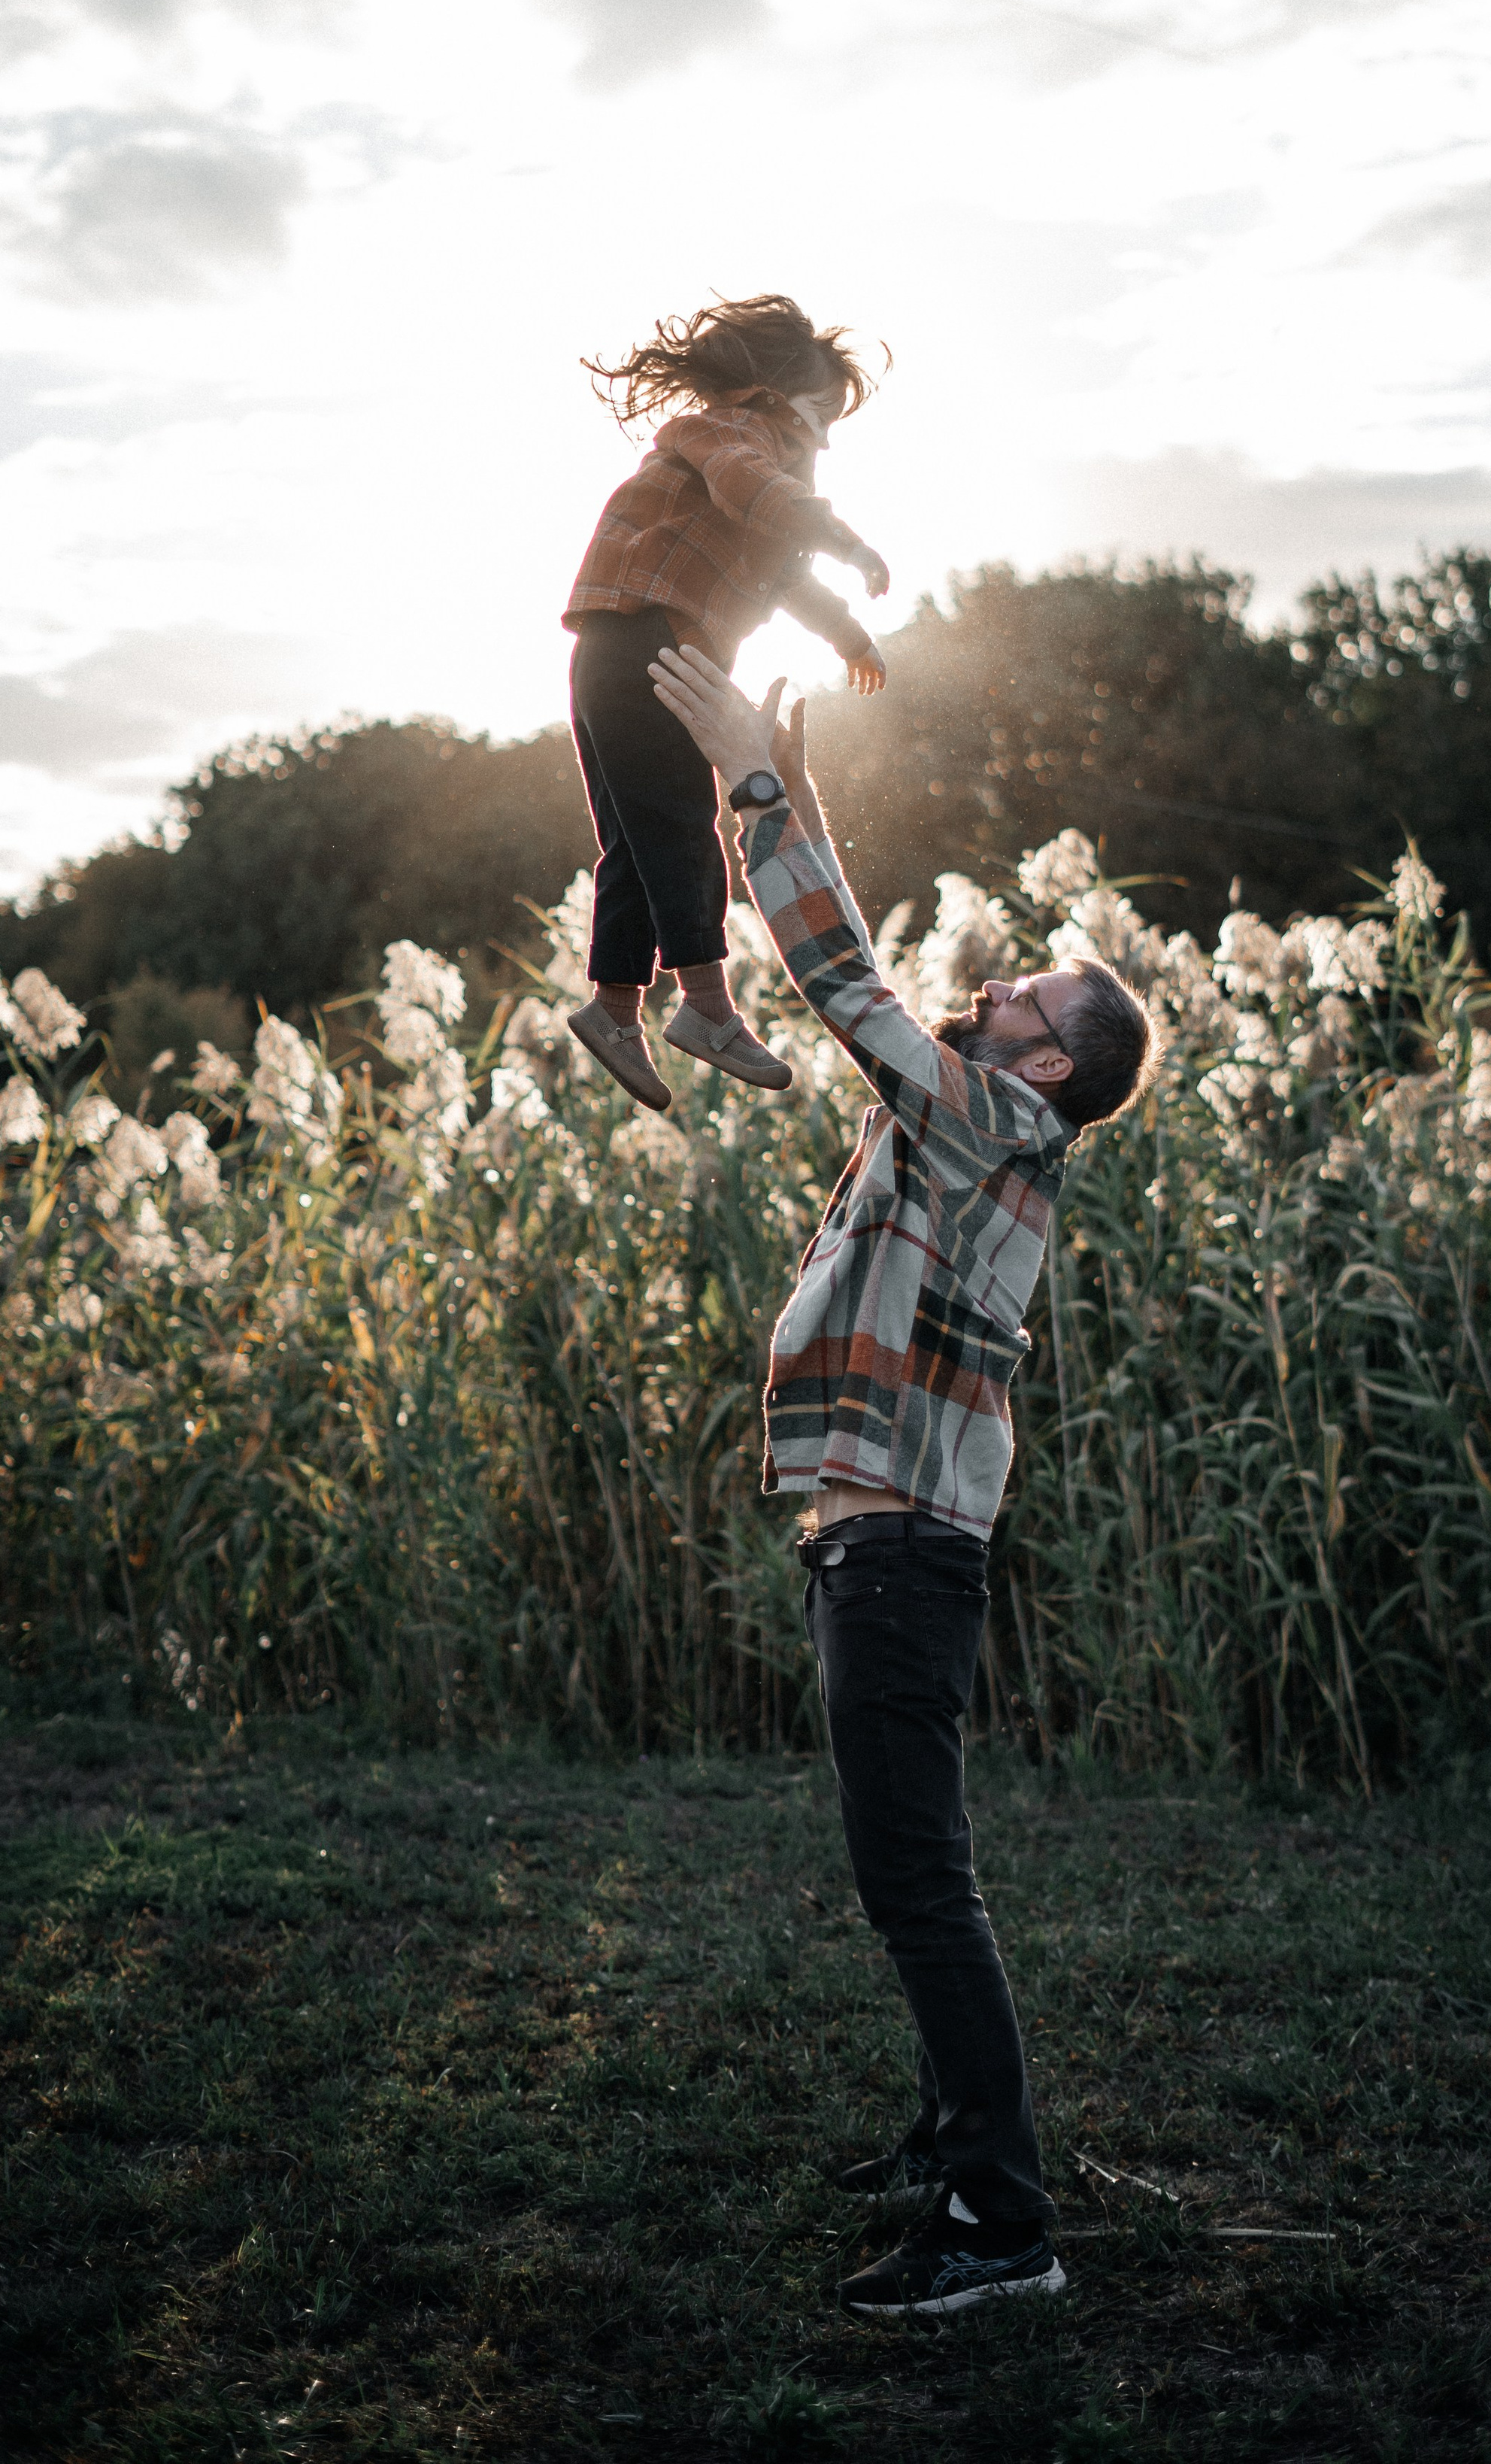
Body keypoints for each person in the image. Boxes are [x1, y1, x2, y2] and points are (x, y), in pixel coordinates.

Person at [647, 639, 1157, 2324]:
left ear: (1049, 1066)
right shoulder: (970, 1117)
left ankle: (1001, 2225)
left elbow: (848, 991)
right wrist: (782, 790)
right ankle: (950, 2137)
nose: (994, 990)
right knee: (913, 1871)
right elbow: (858, 967)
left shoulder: (1001, 1124)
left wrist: (753, 782)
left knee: (917, 1883)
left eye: (1025, 1001)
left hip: (905, 1555)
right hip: (876, 1548)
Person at [561, 293, 891, 1116]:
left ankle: (613, 1011)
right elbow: (757, 492)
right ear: (775, 398)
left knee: (635, 841)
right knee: (681, 823)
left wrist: (849, 637)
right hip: (650, 642)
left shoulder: (754, 469)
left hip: (613, 649)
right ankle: (707, 1010)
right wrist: (847, 541)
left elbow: (784, 577)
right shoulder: (729, 435)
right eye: (822, 415)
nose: (825, 438)